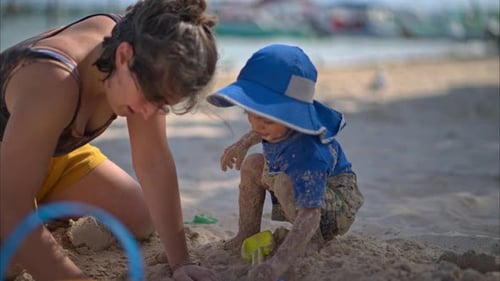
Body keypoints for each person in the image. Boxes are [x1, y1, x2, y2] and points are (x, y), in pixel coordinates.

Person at [0, 1, 219, 280]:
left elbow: (154, 162)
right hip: (8, 166)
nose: (150, 113)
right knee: (12, 260)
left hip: (50, 158)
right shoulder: (52, 81)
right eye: (151, 98)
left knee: (140, 216)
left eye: (162, 104)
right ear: (124, 56)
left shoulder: (146, 49)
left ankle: (38, 209)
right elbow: (10, 207)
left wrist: (181, 263)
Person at [206, 44, 364, 281]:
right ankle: (246, 234)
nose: (257, 125)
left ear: (291, 116)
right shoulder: (276, 127)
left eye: (266, 121)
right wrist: (242, 144)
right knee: (252, 164)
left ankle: (312, 243)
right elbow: (260, 131)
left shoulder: (308, 153)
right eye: (250, 114)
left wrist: (278, 264)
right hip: (293, 180)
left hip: (334, 203)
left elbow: (311, 213)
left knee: (283, 182)